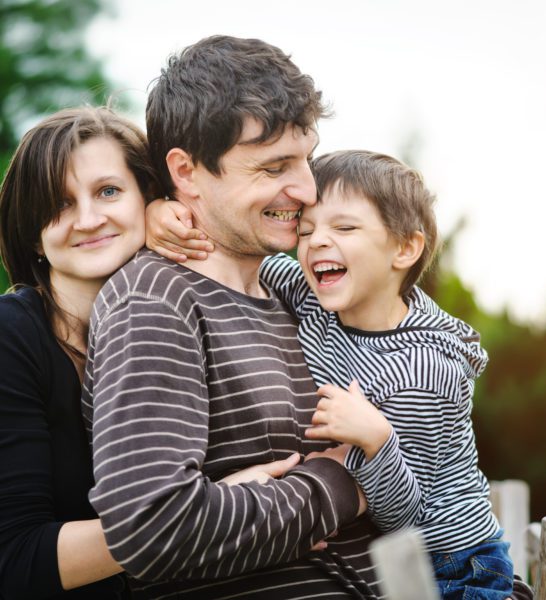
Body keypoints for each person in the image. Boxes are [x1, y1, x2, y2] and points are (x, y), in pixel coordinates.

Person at [82, 36, 380, 600]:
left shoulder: (296, 289)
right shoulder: (156, 300)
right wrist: (333, 486)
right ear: (187, 173)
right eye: (273, 168)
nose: (307, 189)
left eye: (306, 159)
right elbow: (152, 529)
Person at [147, 150, 519, 600]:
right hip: (386, 560)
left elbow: (406, 517)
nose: (316, 241)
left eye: (343, 227)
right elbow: (241, 255)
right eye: (306, 230)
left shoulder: (422, 371)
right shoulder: (311, 292)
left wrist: (377, 441)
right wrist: (164, 216)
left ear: (405, 248)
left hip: (452, 564)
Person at [0, 106, 158, 598]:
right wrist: (206, 515)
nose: (88, 220)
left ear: (148, 200)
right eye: (59, 202)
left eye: (108, 191)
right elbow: (16, 559)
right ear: (32, 232)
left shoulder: (175, 318)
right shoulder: (10, 336)